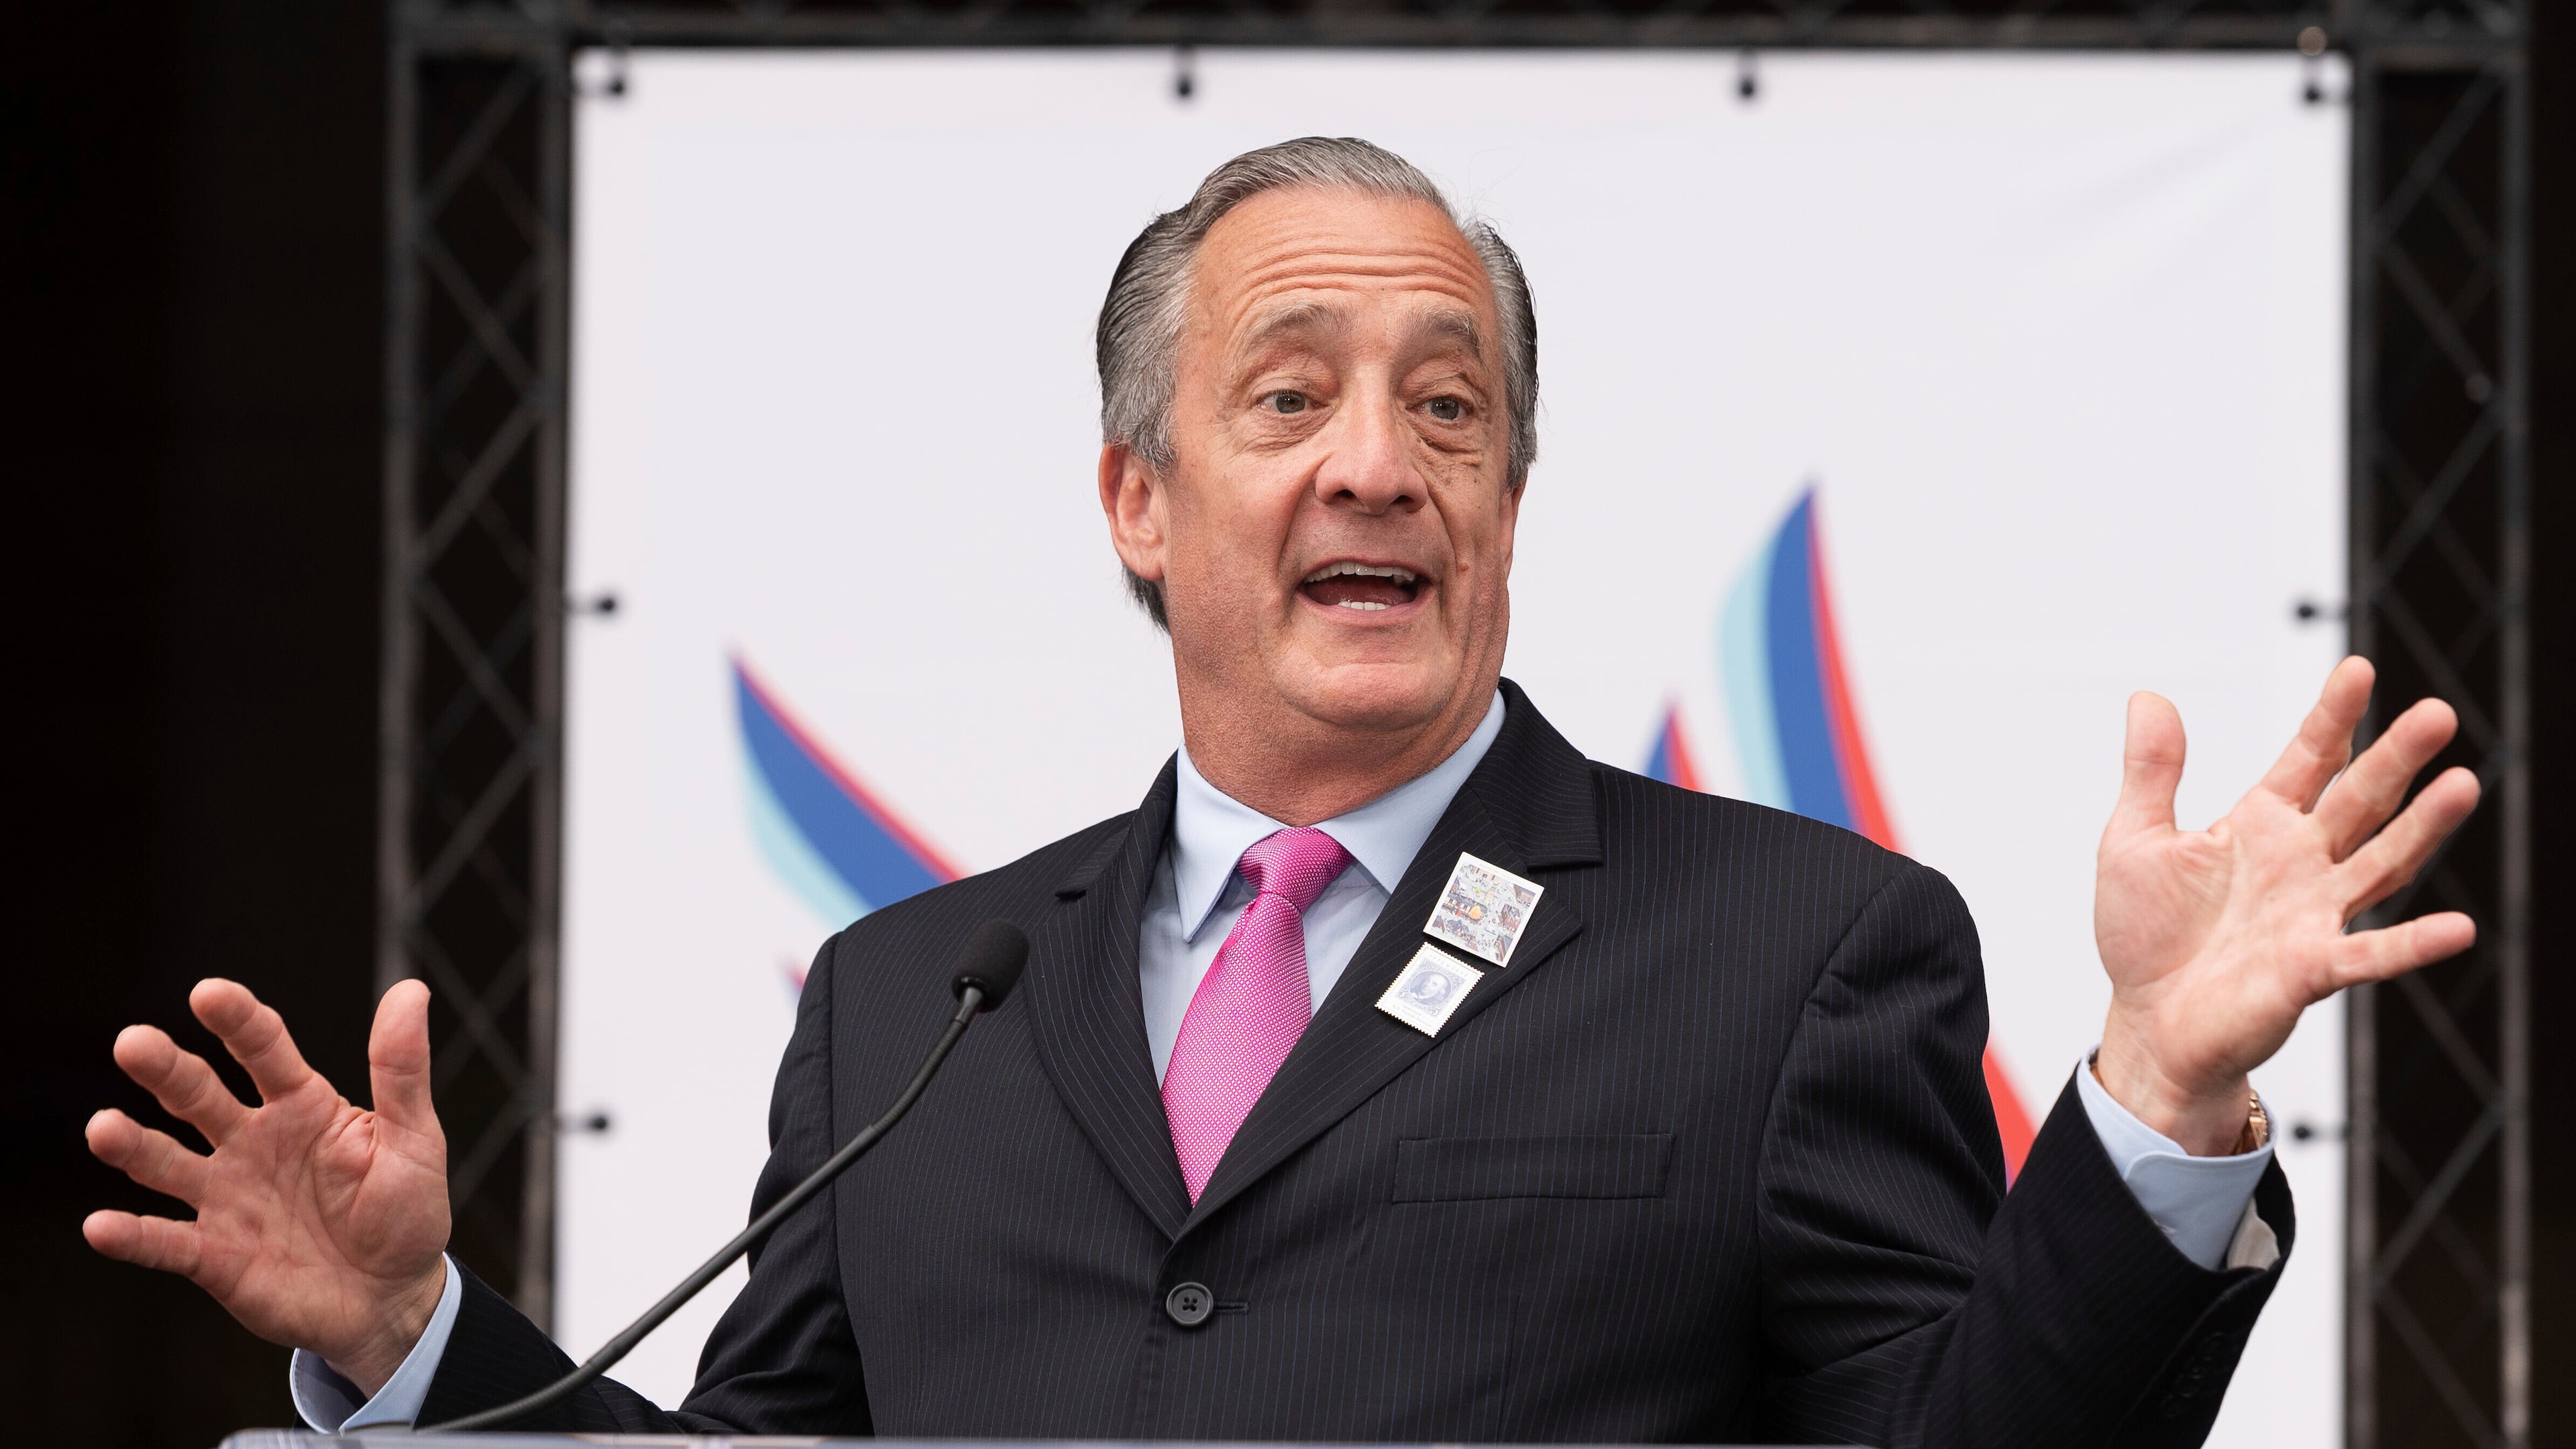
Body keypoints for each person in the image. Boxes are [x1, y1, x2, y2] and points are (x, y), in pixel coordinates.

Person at [84, 138, 2479, 1447]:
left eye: (1451, 409)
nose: (1383, 463)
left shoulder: (1796, 951)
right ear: (1138, 503)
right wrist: (417, 1344)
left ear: (1509, 506)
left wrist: (2162, 1100)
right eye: (1293, 396)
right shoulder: (912, 998)